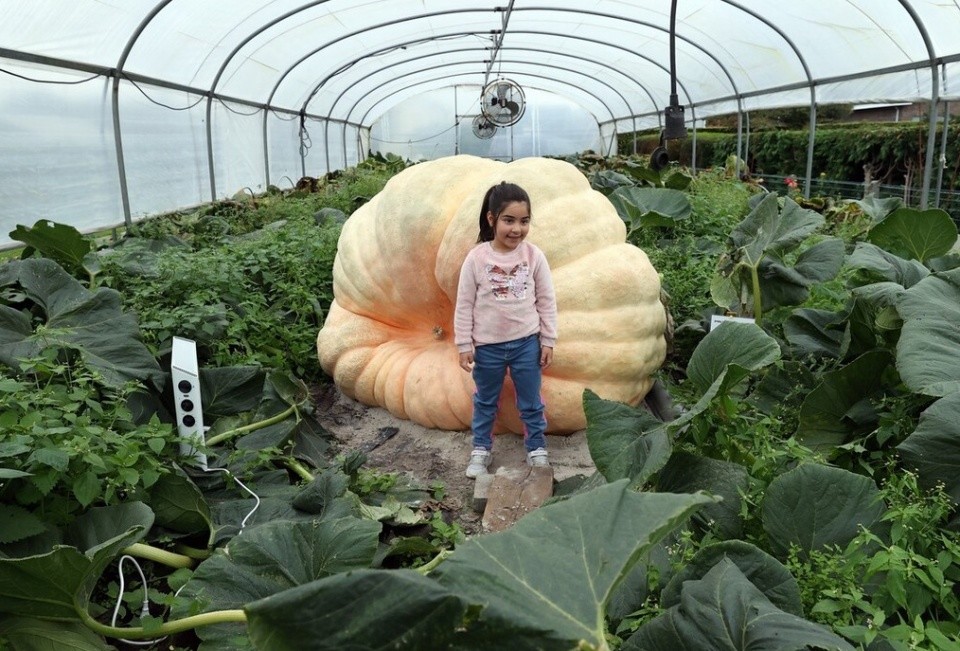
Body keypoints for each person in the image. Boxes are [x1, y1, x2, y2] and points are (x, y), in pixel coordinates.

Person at [454, 181, 558, 479]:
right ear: (491, 219)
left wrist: (548, 339)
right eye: (509, 220)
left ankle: (536, 447)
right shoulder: (477, 258)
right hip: (487, 346)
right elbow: (464, 304)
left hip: (527, 342)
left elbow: (546, 300)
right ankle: (481, 449)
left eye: (524, 221)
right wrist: (464, 344)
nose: (517, 229)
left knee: (530, 400)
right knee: (485, 400)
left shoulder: (534, 256)